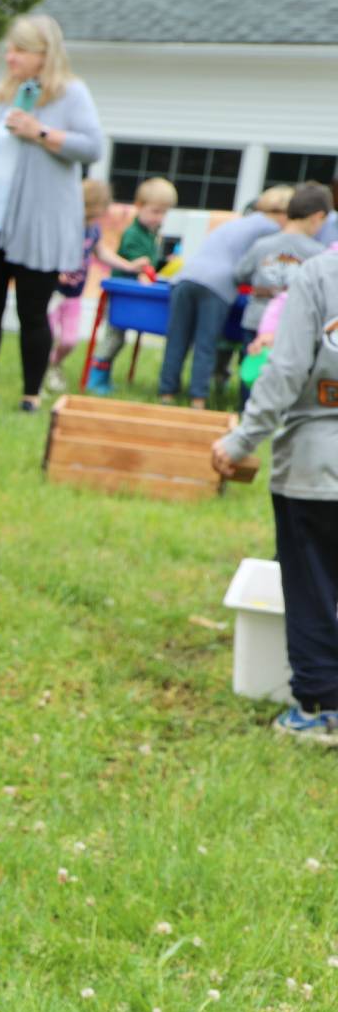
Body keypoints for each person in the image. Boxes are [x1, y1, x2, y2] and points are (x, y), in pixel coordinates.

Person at [0, 15, 104, 413]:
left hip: (37, 226)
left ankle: (30, 396)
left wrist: (41, 132)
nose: (10, 56)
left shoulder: (71, 95)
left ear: (43, 55)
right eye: (10, 48)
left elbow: (92, 148)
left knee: (33, 313)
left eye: (19, 50)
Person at [212, 246, 338, 743]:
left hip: (318, 465)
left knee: (311, 587)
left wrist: (241, 439)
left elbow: (285, 371)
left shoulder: (320, 274)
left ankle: (319, 708)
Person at [156, 185, 291, 407]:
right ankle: (198, 398)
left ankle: (166, 394)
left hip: (185, 277)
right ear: (283, 213)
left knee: (177, 339)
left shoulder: (240, 222)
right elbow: (255, 268)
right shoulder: (271, 229)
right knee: (205, 343)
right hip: (217, 285)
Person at [83, 176, 177, 392]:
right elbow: (137, 264)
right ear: (139, 206)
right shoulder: (133, 234)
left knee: (119, 337)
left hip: (136, 297)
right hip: (121, 296)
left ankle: (102, 377)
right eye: (155, 211)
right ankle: (96, 376)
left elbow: (149, 263)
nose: (159, 218)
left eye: (164, 213)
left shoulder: (151, 234)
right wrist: (143, 271)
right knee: (114, 338)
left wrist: (163, 264)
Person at [233, 182, 332, 336]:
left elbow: (240, 275)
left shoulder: (262, 244)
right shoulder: (318, 253)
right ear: (318, 217)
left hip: (256, 320)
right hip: (292, 325)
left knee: (252, 360)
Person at [48, 178, 112, 374]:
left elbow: (101, 252)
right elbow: (48, 251)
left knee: (69, 341)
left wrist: (130, 265)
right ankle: (41, 372)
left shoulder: (94, 229)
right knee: (46, 336)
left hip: (74, 295)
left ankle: (54, 365)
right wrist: (56, 273)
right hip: (53, 294)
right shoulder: (63, 225)